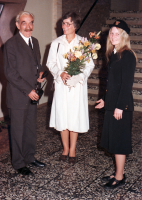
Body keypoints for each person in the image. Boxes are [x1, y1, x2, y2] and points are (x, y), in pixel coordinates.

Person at [47, 12, 94, 164]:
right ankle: (65, 148)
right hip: (61, 85)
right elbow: (51, 63)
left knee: (73, 116)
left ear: (75, 25)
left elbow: (89, 64)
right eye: (63, 23)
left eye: (68, 23)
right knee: (62, 116)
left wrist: (80, 77)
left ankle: (73, 149)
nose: (64, 26)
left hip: (77, 87)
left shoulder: (83, 43)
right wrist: (60, 73)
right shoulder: (56, 43)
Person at [95, 20, 136, 189]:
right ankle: (118, 171)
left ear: (124, 36)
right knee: (114, 140)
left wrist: (120, 106)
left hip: (121, 106)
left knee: (119, 142)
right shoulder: (114, 53)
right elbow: (113, 83)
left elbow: (126, 84)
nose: (113, 36)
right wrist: (105, 99)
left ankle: (119, 176)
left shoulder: (127, 55)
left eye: (117, 33)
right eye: (111, 33)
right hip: (113, 103)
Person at [3, 11, 46, 175]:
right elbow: (10, 73)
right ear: (17, 25)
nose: (28, 27)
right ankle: (19, 163)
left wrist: (40, 74)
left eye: (31, 22)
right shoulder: (11, 44)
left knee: (30, 129)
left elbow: (37, 64)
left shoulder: (34, 41)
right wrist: (28, 90)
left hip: (32, 94)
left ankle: (29, 157)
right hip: (19, 95)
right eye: (24, 23)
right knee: (18, 131)